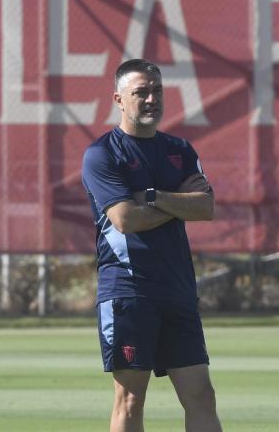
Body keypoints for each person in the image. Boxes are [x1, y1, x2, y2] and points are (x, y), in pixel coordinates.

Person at [81, 58, 223, 432]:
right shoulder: (102, 154)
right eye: (140, 92)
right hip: (129, 292)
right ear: (119, 99)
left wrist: (154, 197)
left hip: (177, 289)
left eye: (156, 91)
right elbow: (126, 220)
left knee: (201, 395)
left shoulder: (180, 149)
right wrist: (179, 203)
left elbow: (206, 207)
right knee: (130, 400)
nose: (150, 99)